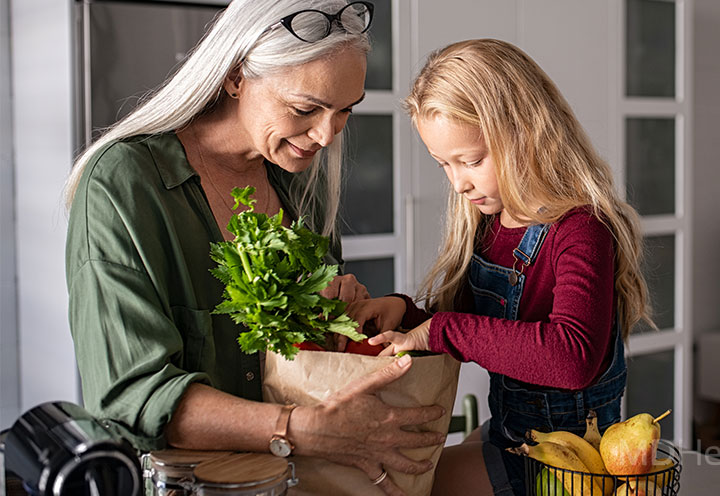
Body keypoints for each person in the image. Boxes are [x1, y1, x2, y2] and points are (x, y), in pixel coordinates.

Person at [64, 2, 444, 495]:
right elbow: (131, 397)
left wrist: (336, 314)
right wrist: (303, 430)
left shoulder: (299, 183)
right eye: (305, 109)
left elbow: (305, 362)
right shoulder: (124, 186)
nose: (327, 135)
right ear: (236, 76)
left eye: (345, 110)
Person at [347, 39, 653, 496]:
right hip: (512, 433)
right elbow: (478, 323)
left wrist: (439, 331)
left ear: (526, 132)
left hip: (565, 466)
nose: (458, 182)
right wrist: (408, 314)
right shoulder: (490, 221)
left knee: (403, 484)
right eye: (443, 164)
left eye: (471, 161)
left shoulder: (581, 228)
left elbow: (572, 359)